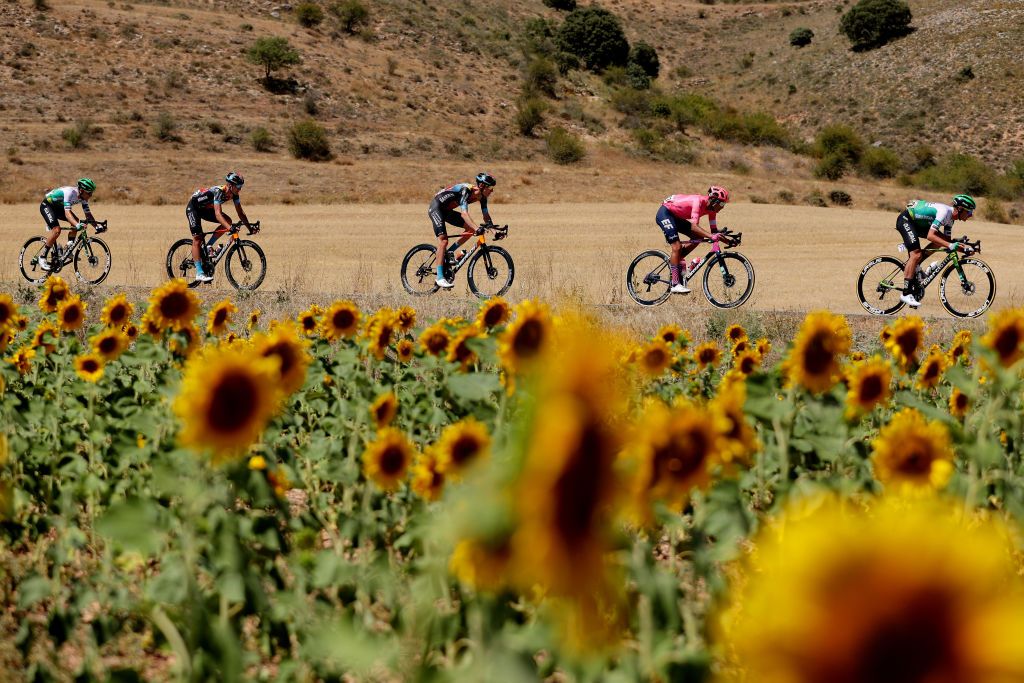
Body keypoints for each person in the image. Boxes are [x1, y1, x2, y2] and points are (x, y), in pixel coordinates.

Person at [896, 194, 976, 308]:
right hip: (906, 220)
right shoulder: (944, 213)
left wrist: (965, 248)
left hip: (918, 224)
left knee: (940, 242)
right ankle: (906, 293)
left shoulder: (950, 221)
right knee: (916, 254)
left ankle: (917, 269)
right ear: (960, 209)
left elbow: (947, 242)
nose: (971, 215)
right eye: (969, 212)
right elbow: (931, 236)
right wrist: (951, 245)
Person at [657, 186, 730, 294]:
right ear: (714, 201)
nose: (722, 207)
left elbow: (714, 232)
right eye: (722, 204)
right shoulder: (698, 201)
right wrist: (711, 236)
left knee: (699, 237)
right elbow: (694, 226)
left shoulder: (712, 210)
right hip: (665, 213)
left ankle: (678, 258)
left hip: (676, 217)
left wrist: (729, 241)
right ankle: (675, 284)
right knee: (676, 246)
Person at [429, 172, 496, 288]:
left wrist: (495, 231)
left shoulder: (482, 197)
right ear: (482, 186)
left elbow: (486, 216)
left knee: (470, 230)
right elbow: (464, 214)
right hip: (437, 207)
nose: (492, 190)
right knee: (443, 240)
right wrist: (477, 228)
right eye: (490, 187)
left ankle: (447, 254)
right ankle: (439, 277)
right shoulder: (466, 190)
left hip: (447, 211)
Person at [186, 172, 252, 282]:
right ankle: (199, 273)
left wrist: (250, 228)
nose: (240, 189)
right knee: (197, 238)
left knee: (228, 221)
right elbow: (217, 214)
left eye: (241, 186)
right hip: (194, 208)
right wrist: (230, 228)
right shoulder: (218, 191)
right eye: (239, 186)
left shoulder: (234, 194)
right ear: (230, 185)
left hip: (206, 209)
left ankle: (208, 245)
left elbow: (240, 212)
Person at [39, 178, 100, 271]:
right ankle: (42, 257)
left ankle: (67, 248)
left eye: (92, 193)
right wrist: (77, 225)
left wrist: (97, 226)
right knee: (57, 230)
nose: (91, 195)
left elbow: (88, 214)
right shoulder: (70, 193)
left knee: (76, 222)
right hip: (48, 205)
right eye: (89, 193)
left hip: (59, 208)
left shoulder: (83, 197)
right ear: (82, 190)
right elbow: (67, 214)